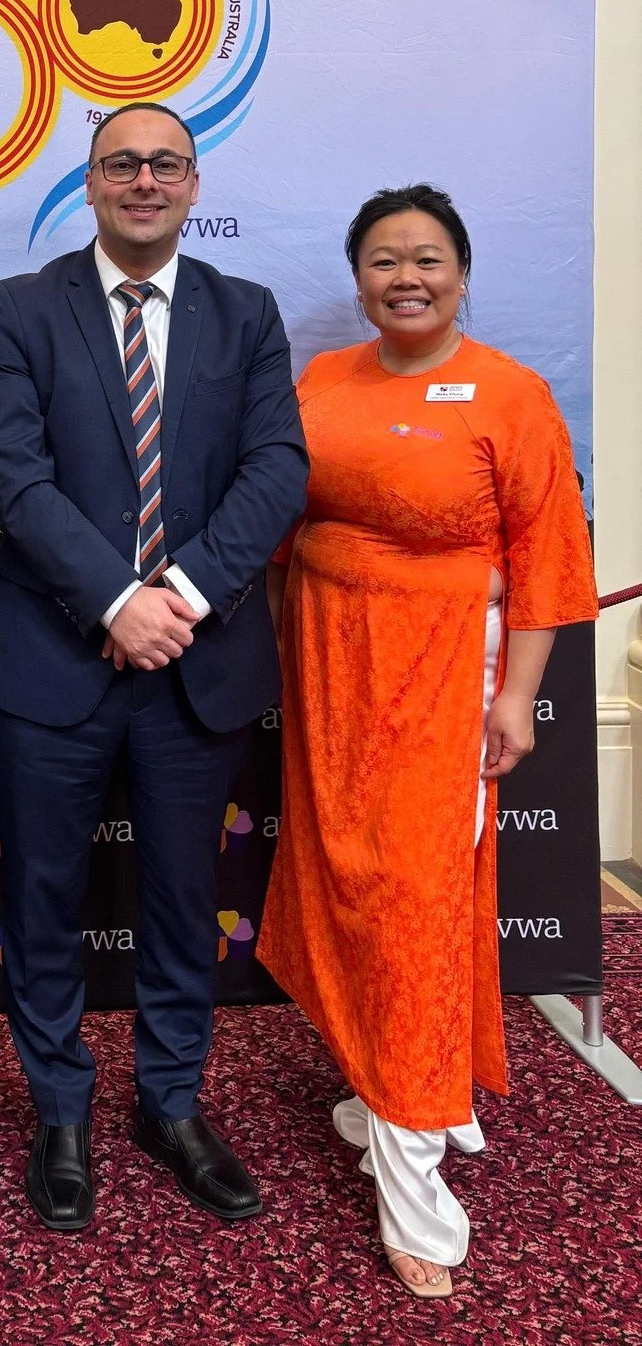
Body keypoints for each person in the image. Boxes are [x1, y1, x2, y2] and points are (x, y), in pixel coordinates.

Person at [0, 103, 307, 1232]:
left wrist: (180, 598)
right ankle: (59, 1106)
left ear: (194, 183)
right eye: (123, 163)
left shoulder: (246, 314)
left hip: (195, 666)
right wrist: (116, 598)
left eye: (166, 163)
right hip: (54, 661)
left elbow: (275, 468)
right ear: (91, 182)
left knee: (179, 899)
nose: (145, 180)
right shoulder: (23, 309)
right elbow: (14, 477)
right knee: (46, 896)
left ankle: (172, 1102)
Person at [258, 185, 596, 1300]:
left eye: (429, 258)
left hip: (447, 676)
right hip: (328, 671)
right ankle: (380, 1071)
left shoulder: (512, 392)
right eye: (384, 259)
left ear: (463, 271)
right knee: (347, 889)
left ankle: (413, 1169)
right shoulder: (322, 382)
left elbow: (552, 562)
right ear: (357, 276)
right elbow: (283, 525)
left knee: (415, 906)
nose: (407, 275)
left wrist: (517, 697)